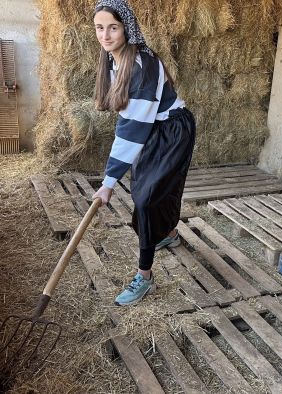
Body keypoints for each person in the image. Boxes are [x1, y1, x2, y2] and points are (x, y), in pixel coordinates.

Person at [91, 0, 196, 306]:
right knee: (151, 188)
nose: (106, 35)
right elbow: (131, 122)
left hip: (173, 131)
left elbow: (131, 130)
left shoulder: (142, 65)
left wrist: (108, 183)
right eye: (100, 27)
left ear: (127, 28)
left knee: (147, 197)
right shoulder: (114, 60)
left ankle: (144, 277)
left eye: (113, 27)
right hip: (153, 129)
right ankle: (169, 233)